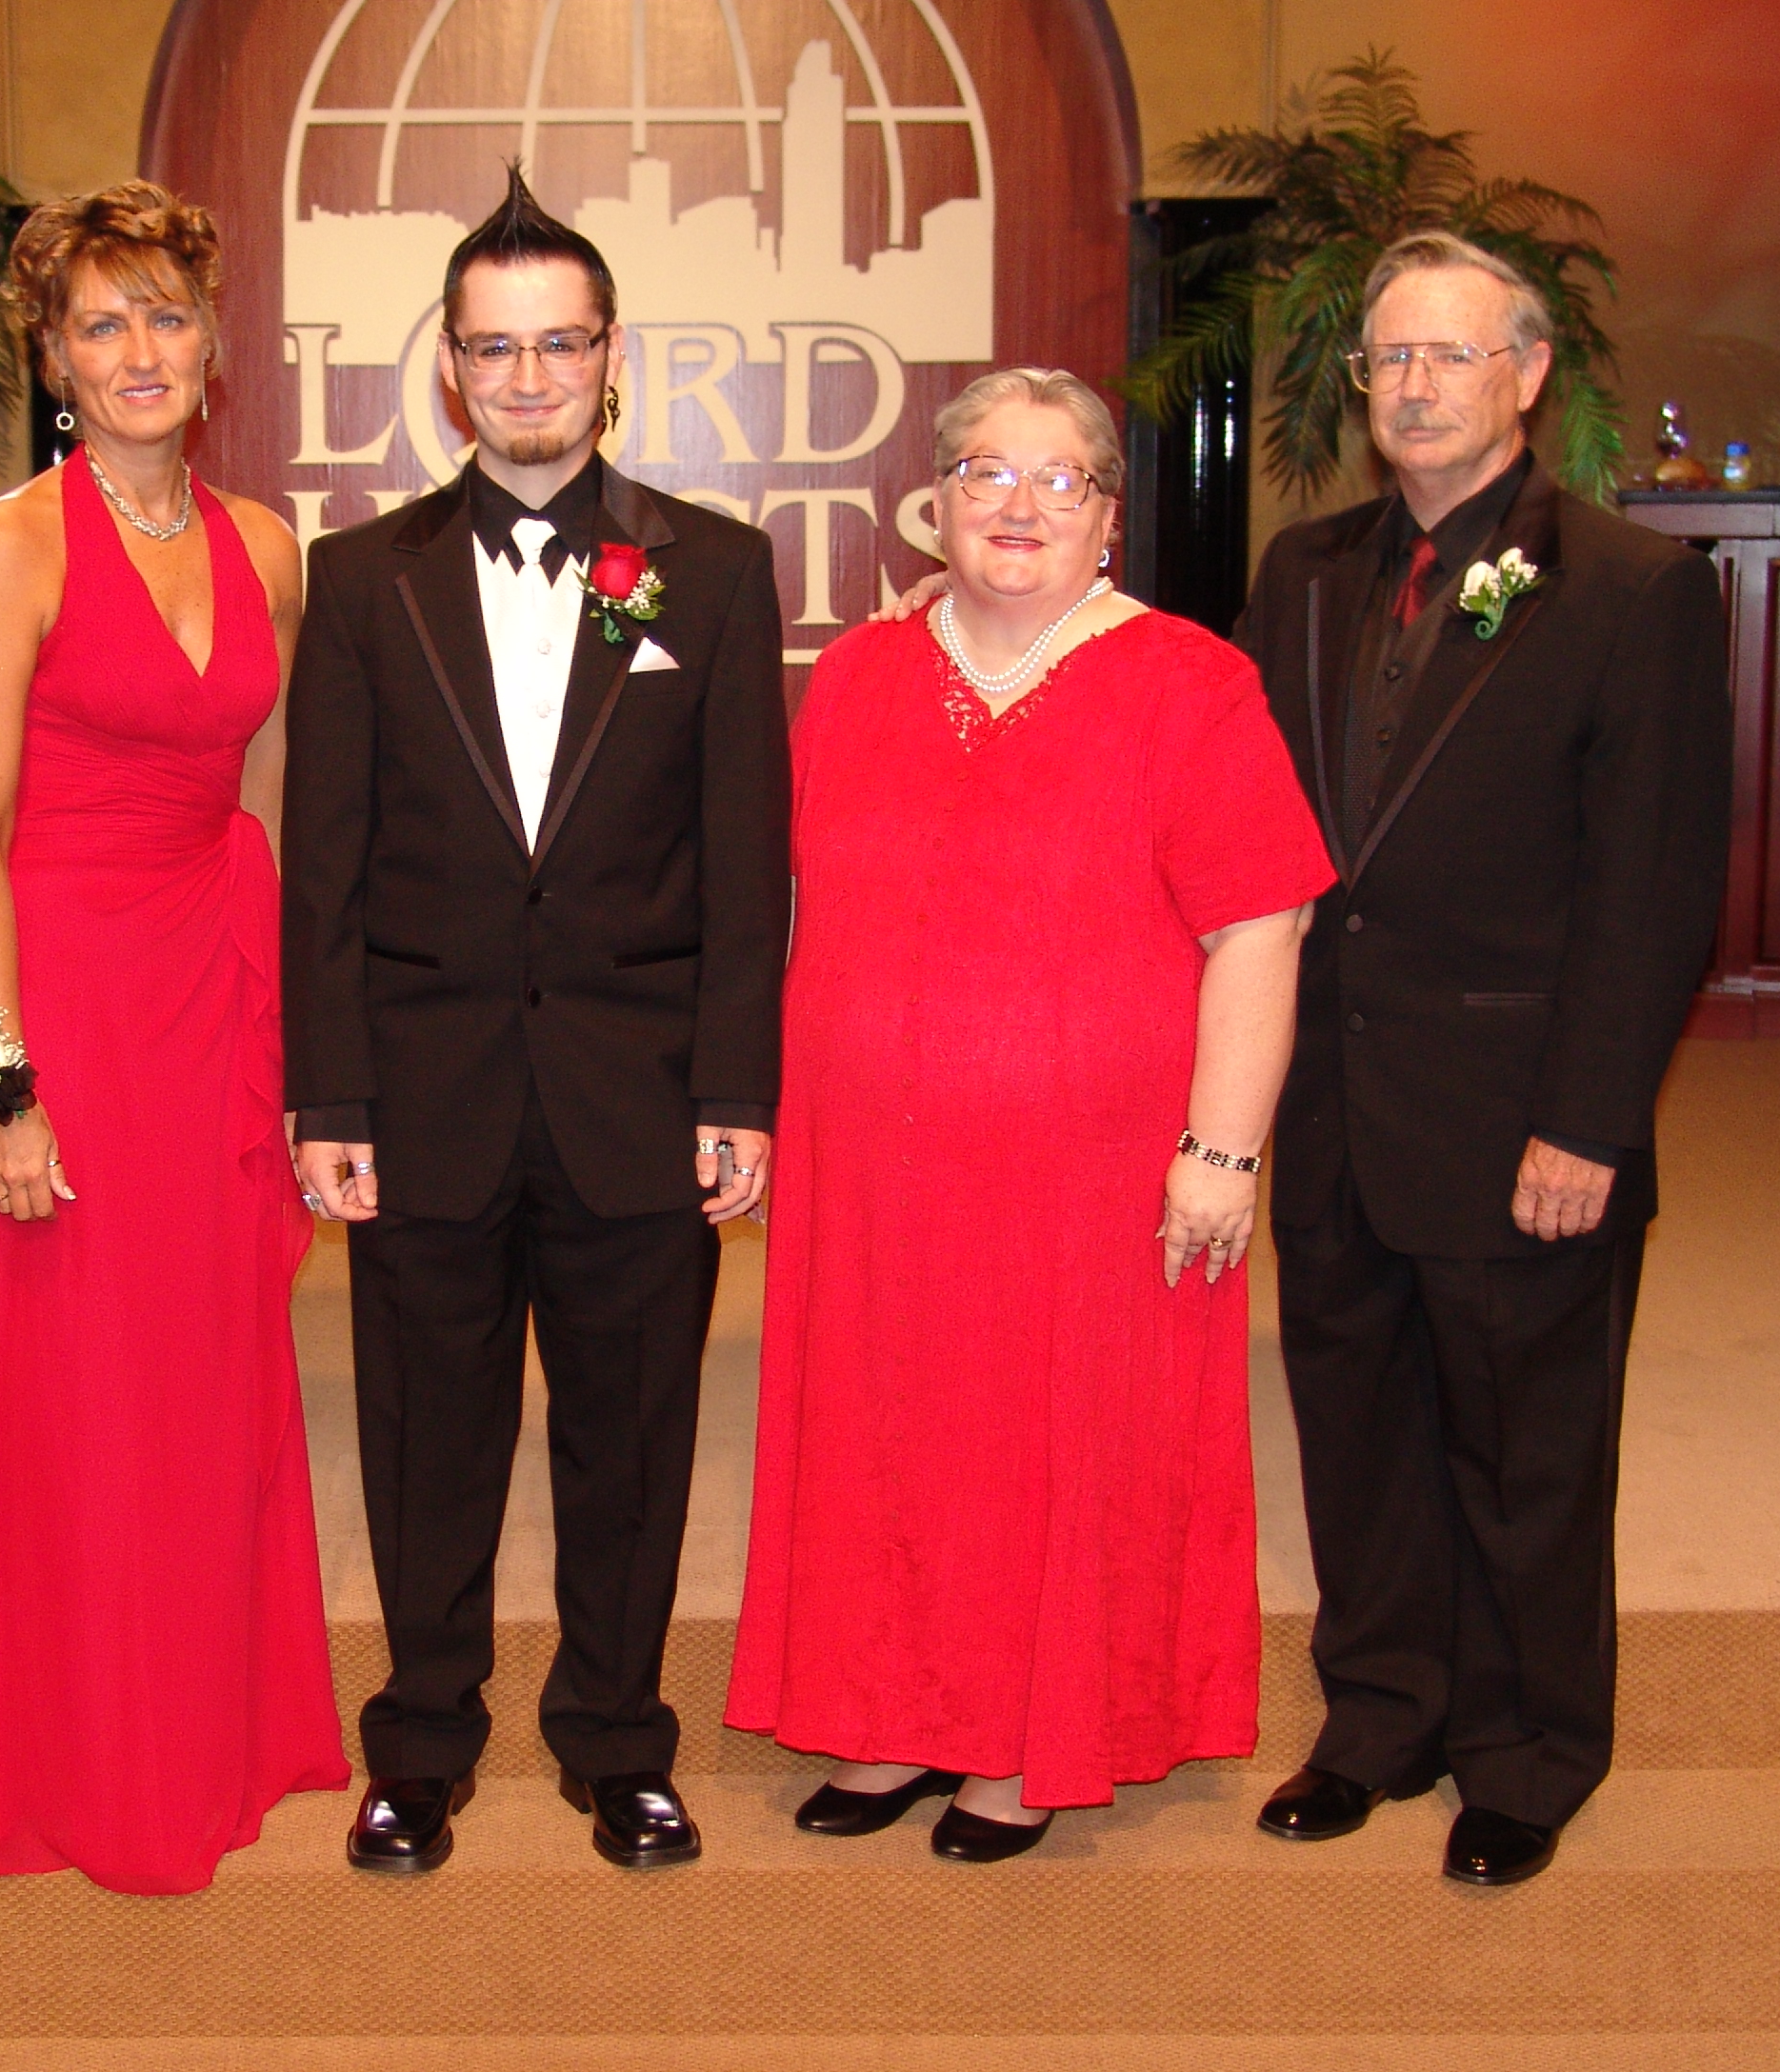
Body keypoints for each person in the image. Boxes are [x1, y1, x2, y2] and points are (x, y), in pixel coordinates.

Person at [726, 369, 1334, 1861]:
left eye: (1059, 480)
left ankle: (1025, 1743)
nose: (1018, 506)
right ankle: (892, 1715)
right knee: (887, 1434)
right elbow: (789, 901)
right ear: (934, 505)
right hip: (872, 1164)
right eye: (987, 474)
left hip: (1091, 1175)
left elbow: (1261, 927)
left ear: (1109, 518)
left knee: (1054, 1445)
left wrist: (1222, 1150)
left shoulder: (1191, 683)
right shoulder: (860, 674)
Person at [282, 168, 789, 1874]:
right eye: (493, 348)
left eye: (558, 343)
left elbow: (747, 856)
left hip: (639, 1095)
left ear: (611, 355)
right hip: (421, 1094)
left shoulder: (713, 571)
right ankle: (420, 1745)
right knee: (425, 1441)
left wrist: (737, 1086)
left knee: (630, 1441)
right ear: (448, 367)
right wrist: (328, 1095)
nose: (526, 377)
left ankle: (619, 1742)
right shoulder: (361, 579)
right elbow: (325, 862)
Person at [1238, 232, 1728, 1885]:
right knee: (1359, 1432)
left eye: (1451, 354)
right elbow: (1234, 808)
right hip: (1332, 1101)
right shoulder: (1304, 572)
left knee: (1527, 1454)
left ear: (1526, 373)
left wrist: (1589, 1120)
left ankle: (1527, 1753)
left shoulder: (1631, 588)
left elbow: (1654, 887)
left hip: (1521, 1116)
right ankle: (1382, 1715)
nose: (1416, 385)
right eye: (1390, 358)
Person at [0, 184, 350, 1895]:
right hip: (58, 1000)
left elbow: (258, 783)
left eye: (166, 313)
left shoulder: (267, 548)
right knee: (76, 1395)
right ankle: (85, 1762)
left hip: (208, 991)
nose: (139, 349)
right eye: (102, 322)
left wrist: (284, 1017)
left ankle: (208, 1729)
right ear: (55, 359)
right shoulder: (9, 544)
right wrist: (0, 1090)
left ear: (214, 340)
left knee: (204, 1377)